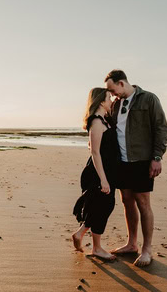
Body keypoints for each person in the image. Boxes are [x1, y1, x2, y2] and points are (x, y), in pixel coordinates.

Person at [104, 69, 167, 267]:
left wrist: (157, 157)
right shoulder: (115, 104)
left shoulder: (148, 99)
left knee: (143, 203)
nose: (111, 94)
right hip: (121, 162)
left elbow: (161, 128)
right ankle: (131, 244)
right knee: (127, 201)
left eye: (112, 89)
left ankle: (147, 249)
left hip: (142, 160)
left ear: (121, 83)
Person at [72, 87, 120, 260]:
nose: (111, 100)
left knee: (101, 206)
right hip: (99, 172)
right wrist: (103, 180)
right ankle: (97, 248)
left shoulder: (104, 120)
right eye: (109, 98)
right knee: (102, 206)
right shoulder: (96, 122)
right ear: (101, 101)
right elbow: (95, 152)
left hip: (107, 171)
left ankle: (81, 234)